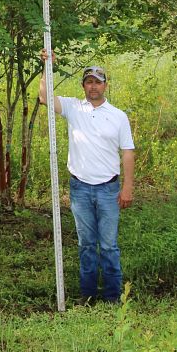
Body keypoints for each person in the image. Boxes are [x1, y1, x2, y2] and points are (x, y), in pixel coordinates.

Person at [39, 52, 135, 304]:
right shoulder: (73, 108)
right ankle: (88, 296)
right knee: (86, 245)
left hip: (108, 190)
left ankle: (114, 297)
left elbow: (127, 153)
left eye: (98, 81)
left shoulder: (118, 116)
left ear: (105, 85)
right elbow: (44, 97)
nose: (93, 86)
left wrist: (127, 188)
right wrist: (46, 66)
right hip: (80, 188)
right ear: (83, 85)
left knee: (109, 246)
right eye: (89, 81)